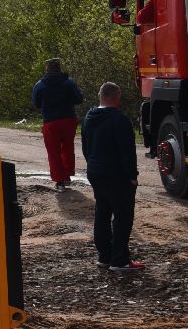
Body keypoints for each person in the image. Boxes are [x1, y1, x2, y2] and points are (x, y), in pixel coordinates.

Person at [81, 82, 142, 272]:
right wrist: (132, 175)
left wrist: (92, 163)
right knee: (123, 216)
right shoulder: (119, 120)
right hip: (116, 174)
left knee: (102, 212)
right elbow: (127, 152)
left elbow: (85, 146)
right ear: (117, 96)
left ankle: (104, 256)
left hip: (96, 171)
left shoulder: (89, 118)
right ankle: (120, 260)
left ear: (100, 96)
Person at [32, 58, 84, 190]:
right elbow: (78, 99)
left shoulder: (40, 85)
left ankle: (59, 181)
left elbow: (36, 103)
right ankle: (67, 176)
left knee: (53, 152)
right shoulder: (68, 83)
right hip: (68, 120)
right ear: (59, 69)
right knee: (68, 148)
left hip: (50, 121)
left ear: (47, 69)